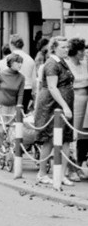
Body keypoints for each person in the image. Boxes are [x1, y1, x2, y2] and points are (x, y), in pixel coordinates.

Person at [33, 36, 75, 186]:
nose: (66, 49)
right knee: (49, 140)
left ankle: (61, 174)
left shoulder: (62, 62)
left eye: (67, 47)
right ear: (54, 48)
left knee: (65, 139)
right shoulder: (51, 63)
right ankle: (42, 173)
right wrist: (64, 105)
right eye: (63, 47)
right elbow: (52, 87)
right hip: (52, 105)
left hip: (63, 104)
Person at [0, 52, 26, 152]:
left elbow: (20, 94)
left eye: (21, 62)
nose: (20, 65)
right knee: (1, 131)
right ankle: (1, 150)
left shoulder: (21, 77)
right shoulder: (0, 75)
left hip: (13, 107)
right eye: (17, 62)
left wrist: (19, 107)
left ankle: (10, 151)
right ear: (11, 63)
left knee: (11, 131)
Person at [64, 38, 87, 178]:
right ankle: (70, 168)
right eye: (81, 50)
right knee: (72, 135)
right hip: (73, 100)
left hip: (86, 103)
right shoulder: (66, 64)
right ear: (74, 51)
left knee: (82, 137)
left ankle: (78, 165)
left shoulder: (85, 64)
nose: (83, 52)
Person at [8, 35, 36, 113]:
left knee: (10, 114)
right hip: (27, 88)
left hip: (11, 89)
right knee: (22, 114)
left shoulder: (9, 58)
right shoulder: (30, 59)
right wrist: (34, 94)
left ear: (11, 44)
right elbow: (34, 80)